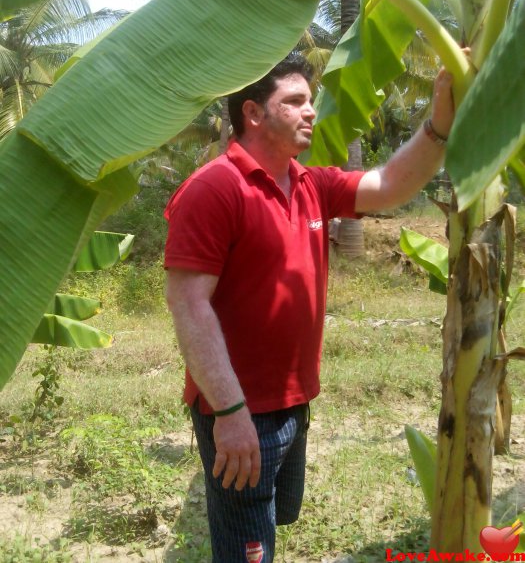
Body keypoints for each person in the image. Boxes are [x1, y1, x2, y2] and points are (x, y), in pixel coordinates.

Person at [164, 53, 454, 563]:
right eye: (295, 101)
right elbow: (188, 304)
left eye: (311, 101)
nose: (311, 111)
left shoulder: (311, 184)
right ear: (253, 114)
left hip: (294, 401)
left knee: (271, 518)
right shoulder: (215, 188)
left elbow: (390, 185)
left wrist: (439, 123)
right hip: (239, 410)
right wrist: (231, 414)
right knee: (246, 549)